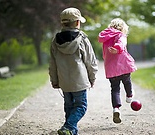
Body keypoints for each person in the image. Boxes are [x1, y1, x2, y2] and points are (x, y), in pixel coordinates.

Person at [49, 7, 98, 135]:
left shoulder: (55, 40)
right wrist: (92, 78)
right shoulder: (82, 39)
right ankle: (68, 127)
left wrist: (54, 80)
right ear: (77, 22)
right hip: (79, 81)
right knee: (81, 107)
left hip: (64, 81)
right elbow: (91, 61)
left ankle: (70, 131)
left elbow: (52, 64)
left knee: (69, 107)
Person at [98, 18, 137, 124]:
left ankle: (116, 108)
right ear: (123, 28)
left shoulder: (106, 37)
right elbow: (121, 42)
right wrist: (117, 48)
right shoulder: (120, 35)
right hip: (123, 65)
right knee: (127, 81)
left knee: (115, 89)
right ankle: (129, 96)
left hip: (111, 68)